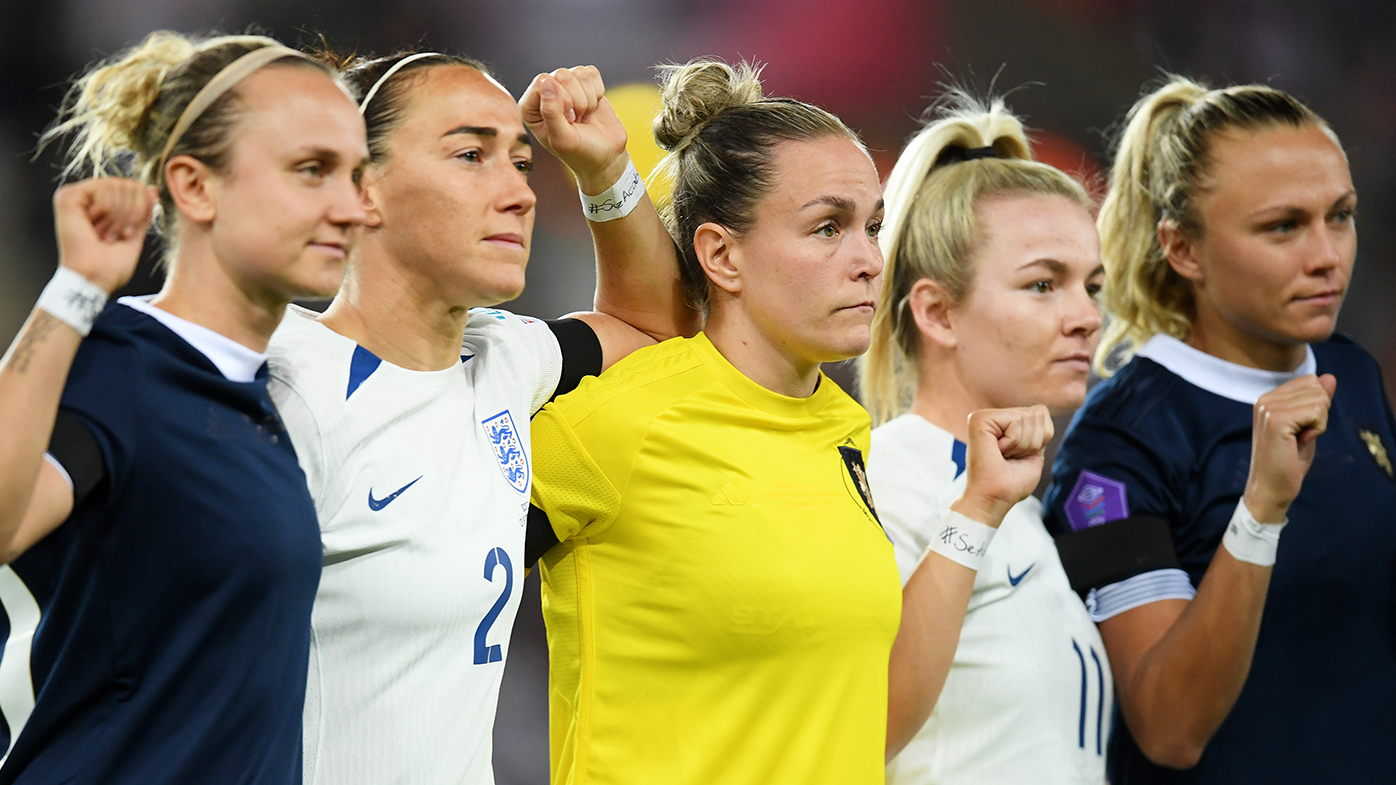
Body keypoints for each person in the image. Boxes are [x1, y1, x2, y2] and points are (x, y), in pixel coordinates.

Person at [525, 58, 1054, 785]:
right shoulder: (622, 418)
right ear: (721, 255)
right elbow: (421, 582)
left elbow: (868, 721)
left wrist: (977, 509)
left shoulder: (843, 429)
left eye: (872, 227)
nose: (869, 260)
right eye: (827, 227)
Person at [264, 49, 694, 784]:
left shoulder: (502, 359)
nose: (519, 193)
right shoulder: (282, 384)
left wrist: (601, 169)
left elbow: (658, 327)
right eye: (471, 155)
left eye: (522, 163)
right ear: (360, 187)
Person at [0, 31, 367, 784]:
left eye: (357, 175)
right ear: (195, 186)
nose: (352, 206)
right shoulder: (120, 365)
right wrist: (73, 292)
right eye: (312, 171)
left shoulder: (249, 393)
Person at [1044, 76, 1394, 783]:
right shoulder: (1116, 448)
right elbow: (1170, 728)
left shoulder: (1349, 372)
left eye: (1342, 214)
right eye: (1283, 226)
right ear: (1184, 249)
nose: (1327, 255)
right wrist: (1259, 514)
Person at [859, 94, 1111, 783]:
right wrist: (974, 515)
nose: (1087, 317)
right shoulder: (883, 477)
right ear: (938, 311)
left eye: (1092, 285)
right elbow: (854, 730)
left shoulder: (1022, 500)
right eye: (1043, 284)